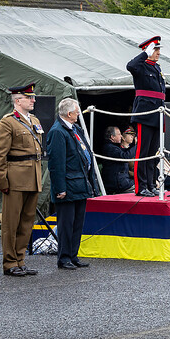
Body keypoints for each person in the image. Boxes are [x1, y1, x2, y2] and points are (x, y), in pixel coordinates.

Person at [0, 84, 44, 277]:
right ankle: (9, 262)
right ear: (17, 100)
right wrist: (2, 182)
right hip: (15, 179)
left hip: (33, 177)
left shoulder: (34, 120)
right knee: (11, 223)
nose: (33, 100)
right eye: (29, 97)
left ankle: (20, 259)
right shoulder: (7, 123)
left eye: (33, 97)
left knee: (26, 222)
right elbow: (0, 156)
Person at [46, 98, 100, 270]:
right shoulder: (57, 132)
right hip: (68, 186)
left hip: (80, 183)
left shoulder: (75, 129)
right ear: (69, 114)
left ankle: (73, 255)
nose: (78, 115)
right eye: (76, 112)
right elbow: (56, 163)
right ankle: (64, 257)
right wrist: (60, 188)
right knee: (66, 224)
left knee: (77, 223)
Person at [126, 36, 166, 197]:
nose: (158, 53)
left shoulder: (156, 68)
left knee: (152, 153)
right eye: (155, 50)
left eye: (158, 50)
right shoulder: (141, 66)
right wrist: (144, 54)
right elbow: (130, 66)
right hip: (145, 114)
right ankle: (140, 186)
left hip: (157, 114)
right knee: (142, 153)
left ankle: (150, 184)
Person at [99, 126, 136, 194]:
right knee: (141, 188)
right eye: (119, 134)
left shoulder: (113, 147)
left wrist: (134, 146)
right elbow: (125, 156)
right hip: (118, 184)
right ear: (112, 137)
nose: (121, 136)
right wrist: (137, 146)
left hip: (121, 181)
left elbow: (124, 151)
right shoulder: (109, 148)